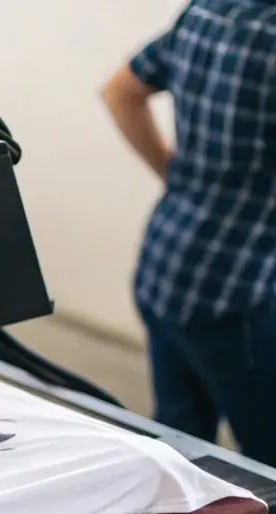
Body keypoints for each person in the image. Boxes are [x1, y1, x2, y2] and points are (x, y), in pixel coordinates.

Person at [100, 0, 276, 464]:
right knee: (266, 462)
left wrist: (174, 176)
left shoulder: (207, 9)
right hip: (240, 293)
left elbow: (120, 92)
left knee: (180, 451)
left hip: (166, 264)